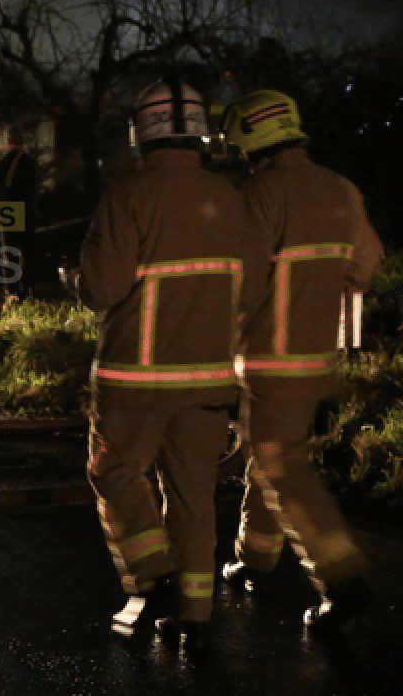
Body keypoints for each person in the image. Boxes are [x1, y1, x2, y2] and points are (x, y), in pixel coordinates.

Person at [79, 79, 269, 651]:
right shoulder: (237, 198)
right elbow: (255, 288)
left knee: (114, 473)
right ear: (201, 131)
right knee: (193, 493)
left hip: (136, 379)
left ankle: (154, 572)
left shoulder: (128, 195)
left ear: (142, 133)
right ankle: (195, 614)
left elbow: (100, 287)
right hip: (210, 379)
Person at [219, 89, 383, 632]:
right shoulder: (342, 189)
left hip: (270, 359)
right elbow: (365, 267)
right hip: (322, 357)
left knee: (279, 467)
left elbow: (240, 284)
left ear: (248, 139)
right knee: (269, 453)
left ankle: (340, 578)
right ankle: (255, 559)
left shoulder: (260, 194)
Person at [0, 125, 40, 294]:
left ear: (9, 141)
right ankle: (28, 290)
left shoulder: (3, 164)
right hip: (26, 210)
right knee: (28, 253)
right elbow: (34, 187)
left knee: (9, 253)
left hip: (8, 212)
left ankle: (11, 292)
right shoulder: (28, 162)